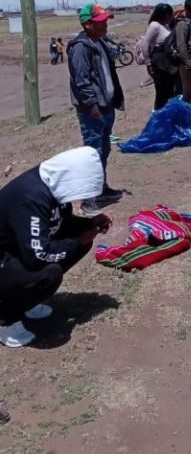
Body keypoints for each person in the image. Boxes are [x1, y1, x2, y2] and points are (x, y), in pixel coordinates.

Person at [0, 147, 111, 348]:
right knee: (49, 272)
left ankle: (25, 301)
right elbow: (37, 255)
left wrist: (88, 224)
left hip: (16, 250)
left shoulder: (54, 186)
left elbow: (60, 223)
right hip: (5, 258)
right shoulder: (32, 198)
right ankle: (5, 318)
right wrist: (79, 240)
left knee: (77, 245)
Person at [67, 4, 125, 216]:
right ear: (87, 24)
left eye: (106, 21)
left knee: (104, 150)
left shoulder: (98, 42)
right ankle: (88, 199)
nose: (105, 25)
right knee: (92, 154)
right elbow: (82, 82)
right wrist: (92, 106)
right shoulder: (80, 48)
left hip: (106, 106)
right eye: (100, 22)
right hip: (93, 110)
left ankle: (100, 189)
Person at [141, 3, 178, 111]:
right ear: (165, 15)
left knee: (169, 92)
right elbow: (145, 45)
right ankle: (159, 116)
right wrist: (148, 63)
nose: (171, 17)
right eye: (170, 15)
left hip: (167, 65)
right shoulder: (155, 25)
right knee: (162, 93)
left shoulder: (166, 25)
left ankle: (167, 115)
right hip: (159, 64)